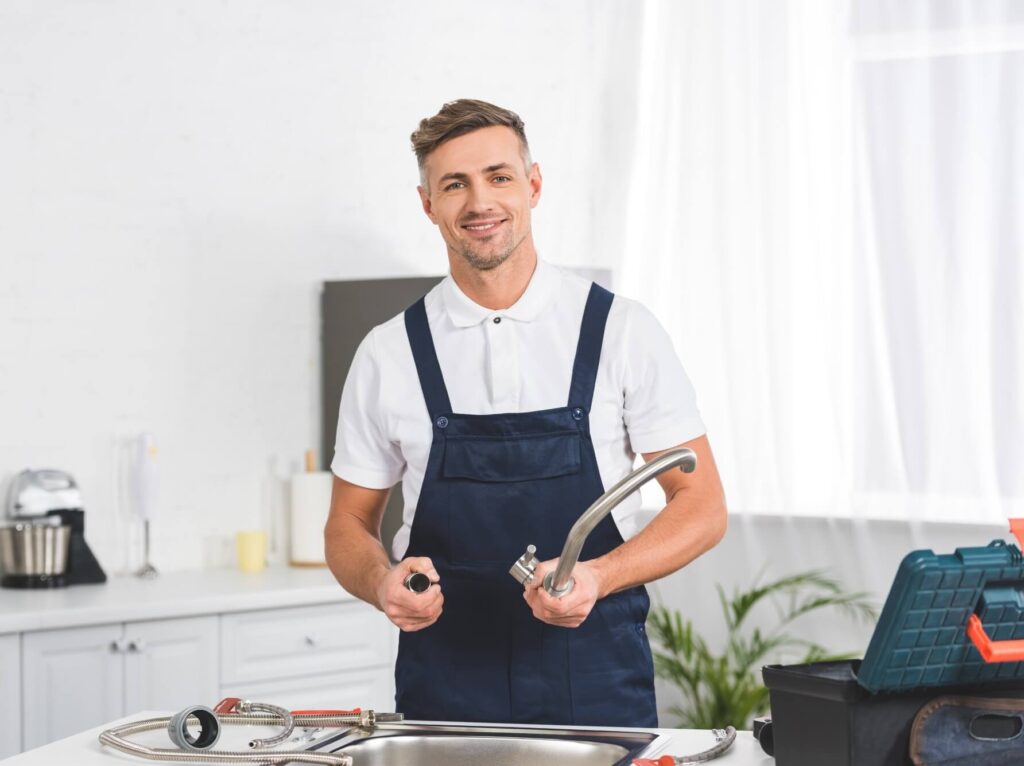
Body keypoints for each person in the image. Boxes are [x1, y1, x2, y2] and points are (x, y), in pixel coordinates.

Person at [325, 99, 727, 727]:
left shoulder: (621, 331)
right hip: (446, 690)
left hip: (595, 679)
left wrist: (598, 575)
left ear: (533, 185)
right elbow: (347, 523)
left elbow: (702, 507)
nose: (479, 202)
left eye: (499, 176)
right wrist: (380, 581)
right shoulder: (389, 352)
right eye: (454, 184)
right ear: (428, 204)